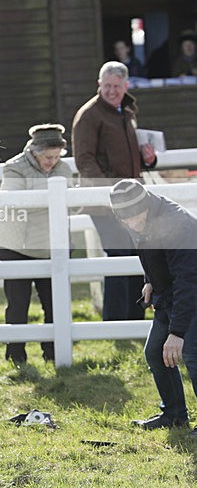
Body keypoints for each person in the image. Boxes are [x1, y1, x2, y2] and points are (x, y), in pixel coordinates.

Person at [110, 179, 197, 435]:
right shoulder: (141, 215)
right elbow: (154, 253)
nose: (133, 224)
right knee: (155, 352)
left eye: (137, 217)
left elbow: (189, 280)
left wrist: (178, 333)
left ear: (146, 205)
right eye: (126, 219)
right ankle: (174, 414)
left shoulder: (176, 225)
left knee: (193, 354)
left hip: (190, 293)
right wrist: (150, 280)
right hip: (170, 293)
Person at [72, 61, 156, 323]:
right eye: (106, 85)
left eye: (116, 86)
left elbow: (127, 157)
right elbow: (84, 161)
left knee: (136, 254)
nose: (111, 91)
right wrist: (114, 192)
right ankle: (114, 321)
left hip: (131, 201)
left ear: (125, 86)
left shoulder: (127, 110)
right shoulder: (89, 115)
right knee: (119, 254)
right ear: (99, 84)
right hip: (103, 202)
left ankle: (134, 318)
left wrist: (148, 160)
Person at [0, 124, 73, 365]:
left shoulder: (64, 168)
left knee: (54, 304)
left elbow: (69, 202)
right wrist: (53, 201)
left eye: (57, 157)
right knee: (18, 304)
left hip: (52, 247)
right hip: (16, 247)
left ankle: (54, 354)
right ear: (35, 152)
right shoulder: (14, 168)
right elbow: (15, 204)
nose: (52, 162)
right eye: (48, 157)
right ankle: (16, 355)